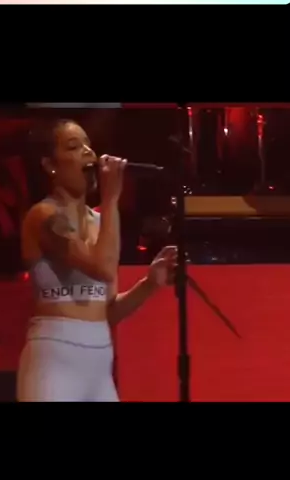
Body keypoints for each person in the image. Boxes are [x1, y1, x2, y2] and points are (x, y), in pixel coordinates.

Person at [17, 119, 177, 402]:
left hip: (99, 365)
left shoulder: (102, 224)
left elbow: (108, 312)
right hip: (54, 362)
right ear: (50, 165)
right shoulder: (43, 217)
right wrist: (111, 198)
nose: (88, 152)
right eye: (73, 146)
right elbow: (102, 267)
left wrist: (150, 284)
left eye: (88, 145)